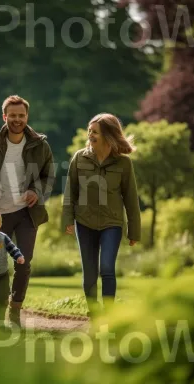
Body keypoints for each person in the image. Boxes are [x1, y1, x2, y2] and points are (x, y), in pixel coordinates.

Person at [0, 95, 55, 327]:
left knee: (23, 263)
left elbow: (49, 175)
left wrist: (36, 190)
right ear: (4, 117)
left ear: (27, 116)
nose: (17, 120)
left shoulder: (40, 145)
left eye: (21, 115)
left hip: (26, 213)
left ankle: (14, 311)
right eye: (13, 115)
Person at [61, 113, 141, 317]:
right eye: (89, 130)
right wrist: (68, 219)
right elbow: (70, 191)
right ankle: (94, 313)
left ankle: (109, 314)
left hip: (111, 223)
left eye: (94, 131)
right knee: (89, 274)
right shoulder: (79, 158)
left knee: (106, 267)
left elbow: (131, 198)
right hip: (84, 222)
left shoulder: (123, 163)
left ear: (108, 134)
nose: (90, 134)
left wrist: (134, 231)